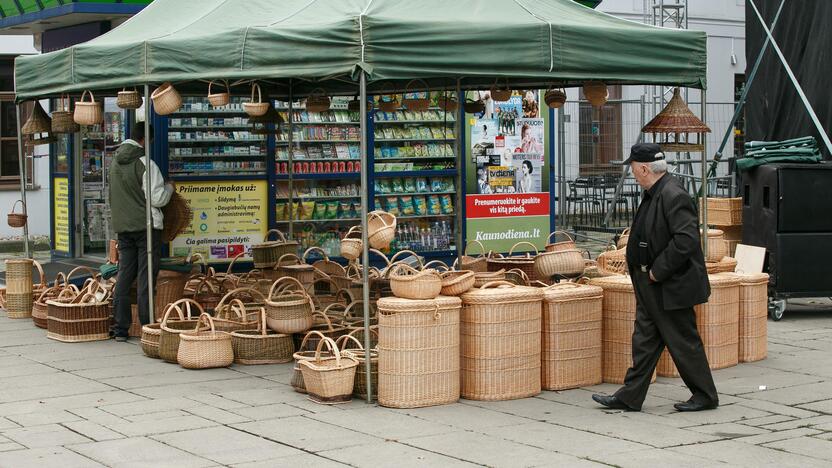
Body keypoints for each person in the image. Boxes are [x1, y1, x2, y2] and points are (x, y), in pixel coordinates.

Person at [592, 143, 718, 413]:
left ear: (645, 169)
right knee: (645, 340)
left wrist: (657, 271)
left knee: (683, 341)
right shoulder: (656, 192)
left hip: (670, 284)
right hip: (652, 284)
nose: (632, 173)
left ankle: (705, 395)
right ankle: (630, 396)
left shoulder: (673, 194)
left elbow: (686, 241)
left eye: (634, 168)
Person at [108, 123, 174, 341]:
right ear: (146, 140)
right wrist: (169, 189)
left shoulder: (114, 163)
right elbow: (157, 199)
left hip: (124, 228)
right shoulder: (146, 164)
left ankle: (120, 329)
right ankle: (147, 326)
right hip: (146, 228)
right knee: (146, 278)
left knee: (124, 277)